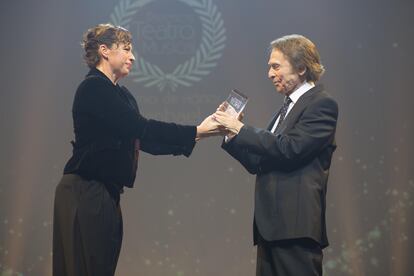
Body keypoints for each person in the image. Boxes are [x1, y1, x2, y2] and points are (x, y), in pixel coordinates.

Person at [52, 23, 221, 276]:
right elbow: (140, 127)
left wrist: (200, 134)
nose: (133, 57)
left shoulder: (122, 95)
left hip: (105, 193)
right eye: (127, 49)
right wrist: (196, 130)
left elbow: (145, 141)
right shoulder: (94, 88)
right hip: (85, 191)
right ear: (104, 50)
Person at [213, 34, 338, 275]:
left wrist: (241, 128)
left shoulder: (322, 103)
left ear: (301, 67)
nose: (270, 74)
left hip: (295, 228)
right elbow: (259, 162)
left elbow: (291, 149)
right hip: (270, 228)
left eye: (275, 66)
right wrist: (231, 133)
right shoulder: (286, 109)